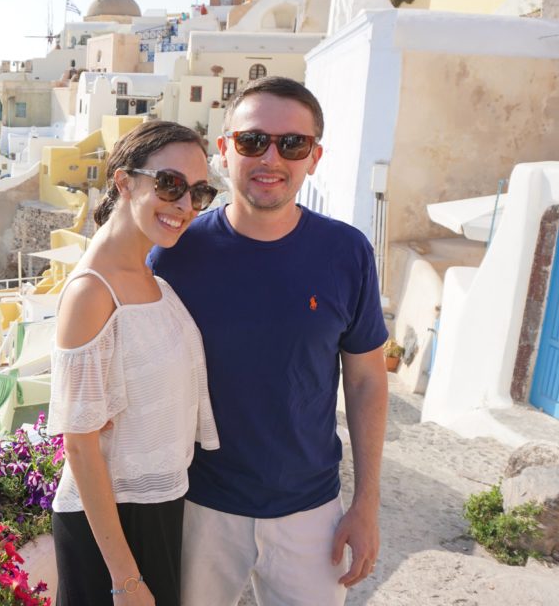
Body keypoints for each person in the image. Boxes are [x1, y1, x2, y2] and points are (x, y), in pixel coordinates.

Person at [149, 77, 389, 606]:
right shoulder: (174, 253)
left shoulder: (347, 253)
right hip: (198, 506)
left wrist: (366, 503)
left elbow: (367, 380)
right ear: (224, 150)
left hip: (311, 512)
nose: (270, 158)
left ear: (315, 157)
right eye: (253, 141)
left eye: (293, 144)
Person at [48, 120, 221, 606]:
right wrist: (125, 579)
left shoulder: (152, 279)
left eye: (198, 192)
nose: (185, 205)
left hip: (156, 508)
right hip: (111, 529)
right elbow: (79, 445)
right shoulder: (92, 292)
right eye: (169, 184)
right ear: (124, 181)